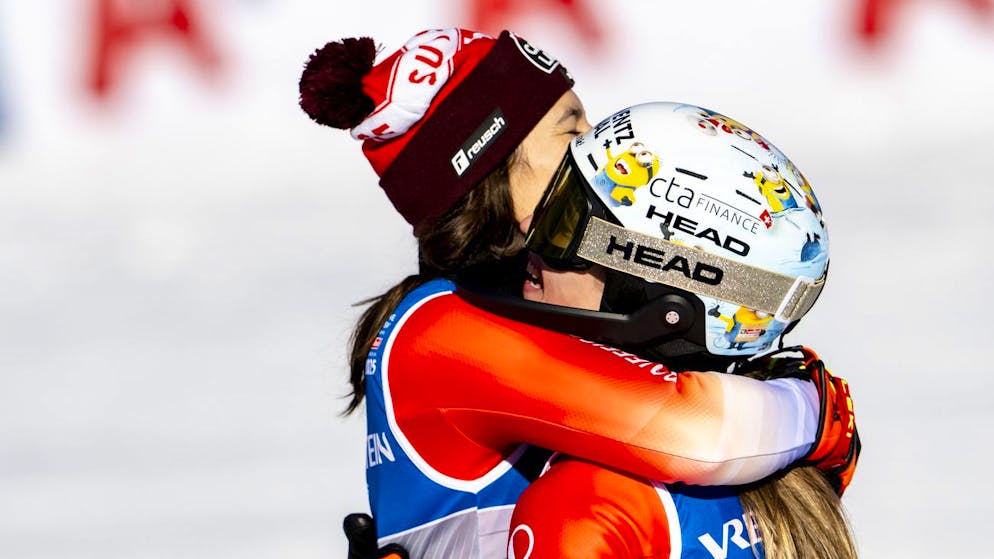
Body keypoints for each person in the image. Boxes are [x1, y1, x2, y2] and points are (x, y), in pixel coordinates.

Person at [298, 28, 858, 559]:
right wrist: (817, 409)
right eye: (571, 130)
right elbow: (703, 432)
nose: (597, 146)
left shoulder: (542, 312)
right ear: (493, 175)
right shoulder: (442, 329)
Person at [504, 101, 858, 558]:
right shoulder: (793, 484)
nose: (531, 232)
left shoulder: (587, 503)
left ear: (658, 287)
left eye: (569, 221)